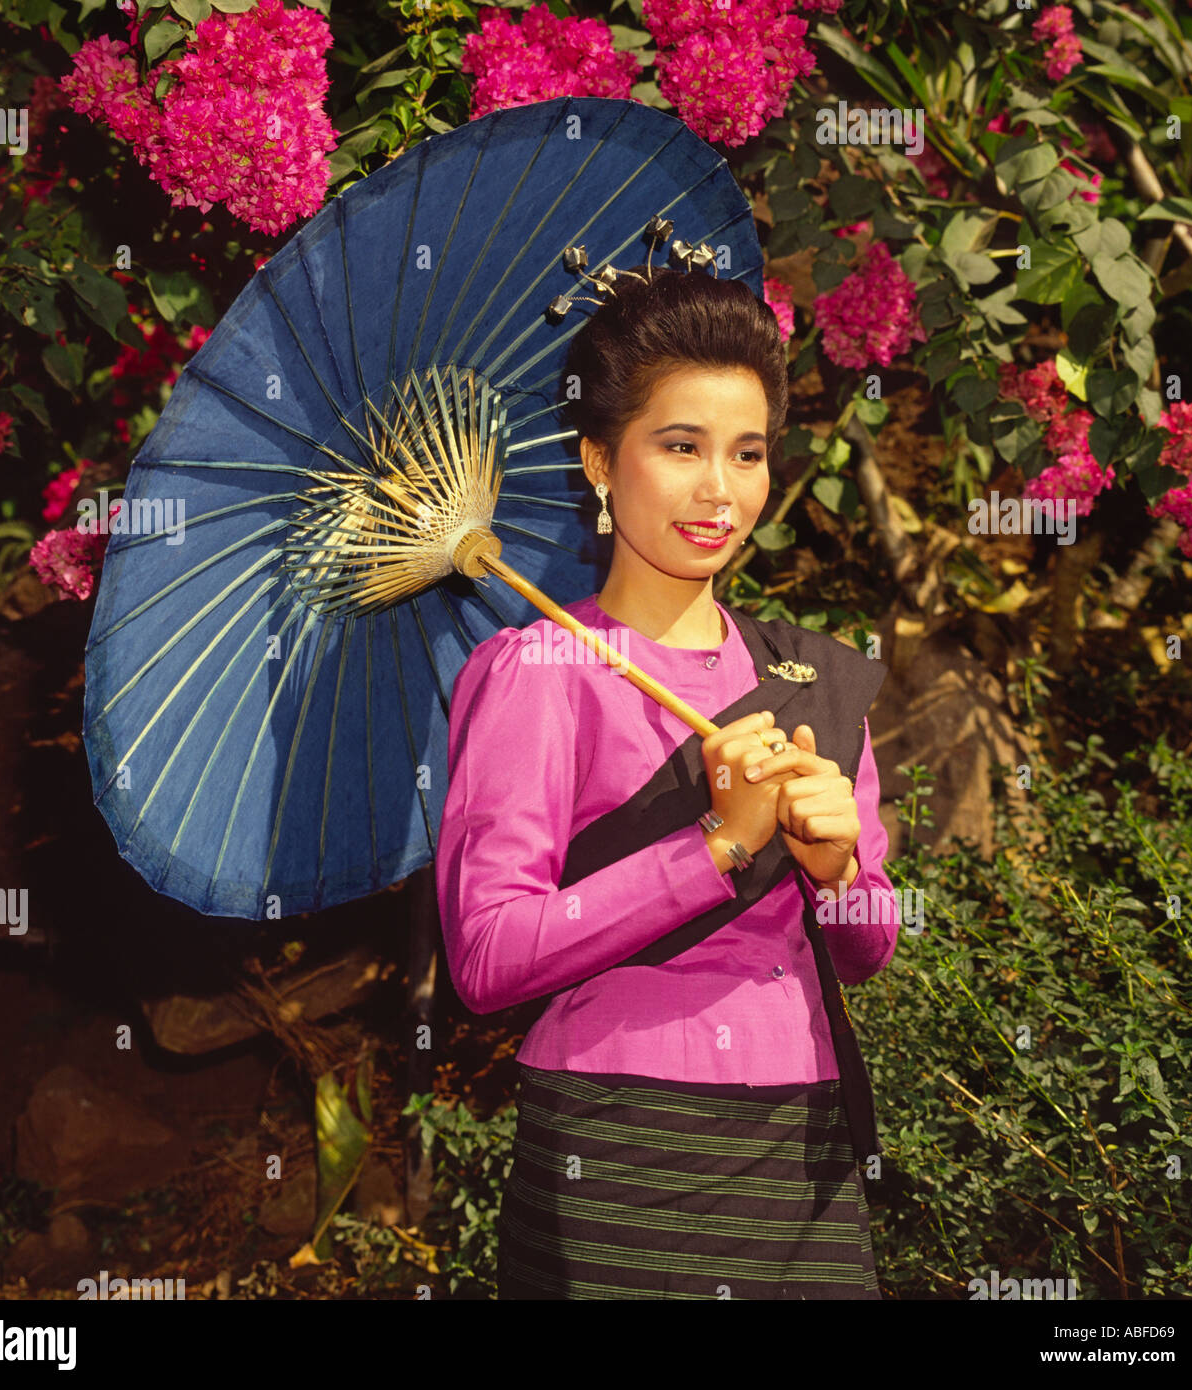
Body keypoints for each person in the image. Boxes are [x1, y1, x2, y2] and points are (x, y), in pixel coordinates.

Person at [434, 264, 899, 1299]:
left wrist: (839, 866)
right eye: (679, 446)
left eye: (747, 453)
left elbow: (865, 951)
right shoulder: (534, 674)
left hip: (804, 1145)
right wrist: (715, 849)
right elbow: (485, 954)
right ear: (601, 458)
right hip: (617, 1143)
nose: (718, 491)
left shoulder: (809, 677)